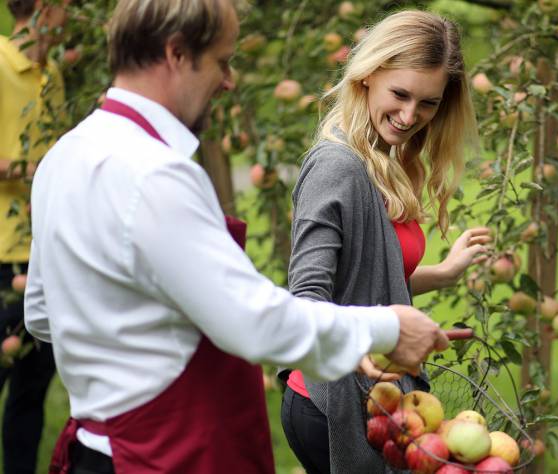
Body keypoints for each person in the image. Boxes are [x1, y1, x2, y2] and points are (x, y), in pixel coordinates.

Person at [23, 1, 450, 473]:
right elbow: (254, 322)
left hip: (91, 448)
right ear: (177, 54)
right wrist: (388, 327)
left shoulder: (64, 155)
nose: (228, 81)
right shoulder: (156, 175)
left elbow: (43, 314)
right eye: (222, 62)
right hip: (162, 455)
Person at [282, 10, 488, 474]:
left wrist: (444, 273)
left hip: (375, 395)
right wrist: (363, 341)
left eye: (429, 103)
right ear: (368, 76)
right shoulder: (339, 166)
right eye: (399, 94)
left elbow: (363, 284)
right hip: (330, 402)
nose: (410, 115)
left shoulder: (381, 159)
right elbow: (308, 298)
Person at [0, 1, 66, 472]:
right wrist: (40, 170)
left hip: (45, 255)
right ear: (44, 7)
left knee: (31, 394)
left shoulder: (54, 75)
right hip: (2, 254)